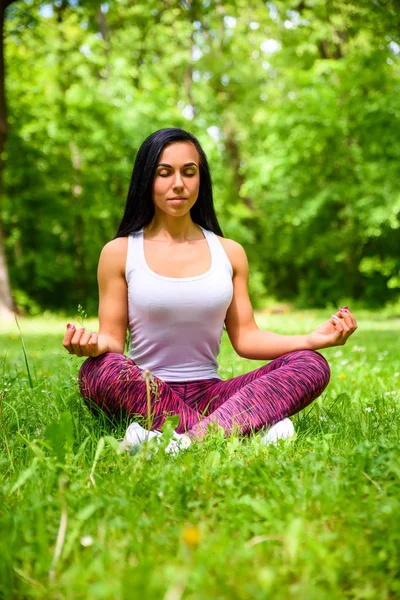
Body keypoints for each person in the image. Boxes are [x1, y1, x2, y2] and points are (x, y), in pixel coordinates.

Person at [62, 127, 357, 452]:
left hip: (212, 394)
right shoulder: (119, 252)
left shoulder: (229, 252)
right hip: (145, 392)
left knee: (311, 364)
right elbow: (113, 342)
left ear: (201, 180)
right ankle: (244, 429)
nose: (179, 183)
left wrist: (312, 341)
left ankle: (176, 442)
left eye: (189, 172)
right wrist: (89, 345)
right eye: (164, 173)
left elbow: (246, 338)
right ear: (147, 180)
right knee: (98, 370)